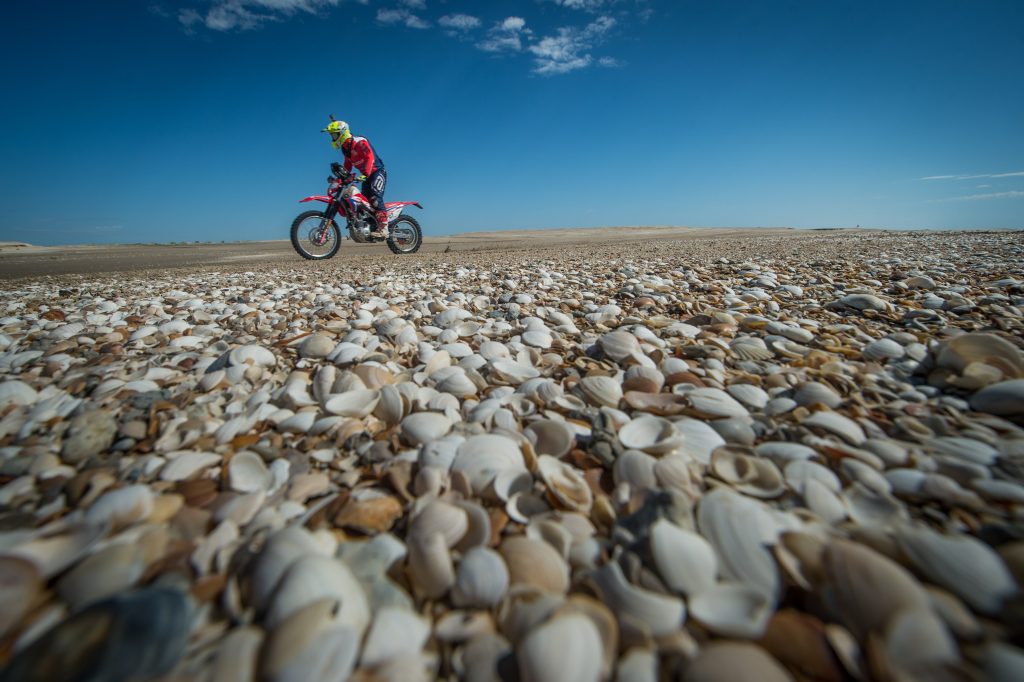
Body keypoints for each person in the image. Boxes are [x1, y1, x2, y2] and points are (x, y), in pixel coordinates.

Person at [322, 119, 390, 238]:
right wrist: (340, 179)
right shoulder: (345, 149)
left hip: (376, 172)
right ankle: (371, 225)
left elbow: (369, 157)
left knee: (375, 198)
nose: (332, 138)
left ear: (342, 133)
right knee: (365, 204)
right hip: (366, 176)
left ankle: (384, 229)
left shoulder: (359, 142)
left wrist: (366, 173)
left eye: (334, 135)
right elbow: (348, 165)